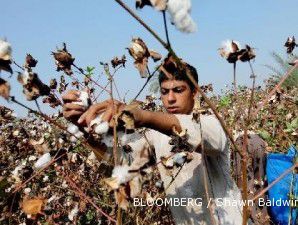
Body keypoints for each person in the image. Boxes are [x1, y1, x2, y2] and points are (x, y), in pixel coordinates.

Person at [62, 56, 244, 225]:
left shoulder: (211, 122)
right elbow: (125, 165)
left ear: (194, 92)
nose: (170, 98)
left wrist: (141, 116)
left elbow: (203, 136)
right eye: (165, 92)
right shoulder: (155, 135)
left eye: (178, 90)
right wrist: (86, 131)